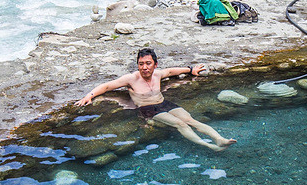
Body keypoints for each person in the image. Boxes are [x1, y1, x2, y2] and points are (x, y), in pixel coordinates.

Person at [77, 47, 236, 151]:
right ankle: (207, 145)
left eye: (148, 64)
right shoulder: (131, 79)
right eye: (141, 64)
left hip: (164, 103)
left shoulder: (158, 74)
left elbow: (172, 71)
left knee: (190, 120)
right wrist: (89, 96)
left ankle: (219, 139)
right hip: (148, 110)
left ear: (155, 64)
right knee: (180, 123)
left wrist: (191, 70)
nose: (144, 67)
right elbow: (107, 86)